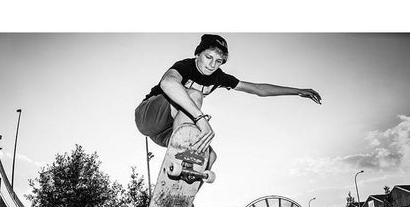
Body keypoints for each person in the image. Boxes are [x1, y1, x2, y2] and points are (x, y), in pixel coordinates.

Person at [135, 34, 322, 169]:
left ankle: (180, 200)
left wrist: (298, 91)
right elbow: (168, 82)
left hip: (167, 133)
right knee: (195, 95)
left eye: (218, 61)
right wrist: (201, 119)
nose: (212, 64)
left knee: (208, 157)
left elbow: (259, 89)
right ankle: (182, 150)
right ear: (198, 54)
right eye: (208, 57)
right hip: (149, 117)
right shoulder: (186, 66)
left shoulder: (219, 77)